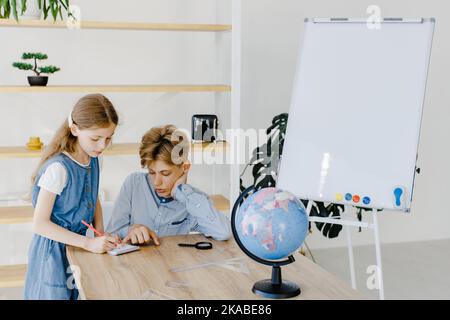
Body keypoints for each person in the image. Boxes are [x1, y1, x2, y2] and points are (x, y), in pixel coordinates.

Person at [24, 94, 121, 300]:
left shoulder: (94, 159)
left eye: (108, 138)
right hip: (52, 252)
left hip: (77, 245)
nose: (102, 145)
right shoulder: (58, 168)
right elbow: (40, 224)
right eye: (95, 138)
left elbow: (92, 198)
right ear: (75, 129)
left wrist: (100, 234)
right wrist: (88, 244)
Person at [106, 125, 231, 245]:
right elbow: (110, 233)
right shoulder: (133, 184)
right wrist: (131, 230)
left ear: (185, 167)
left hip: (173, 264)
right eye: (151, 172)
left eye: (165, 173)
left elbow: (224, 232)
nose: (156, 182)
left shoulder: (193, 201)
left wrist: (183, 192)